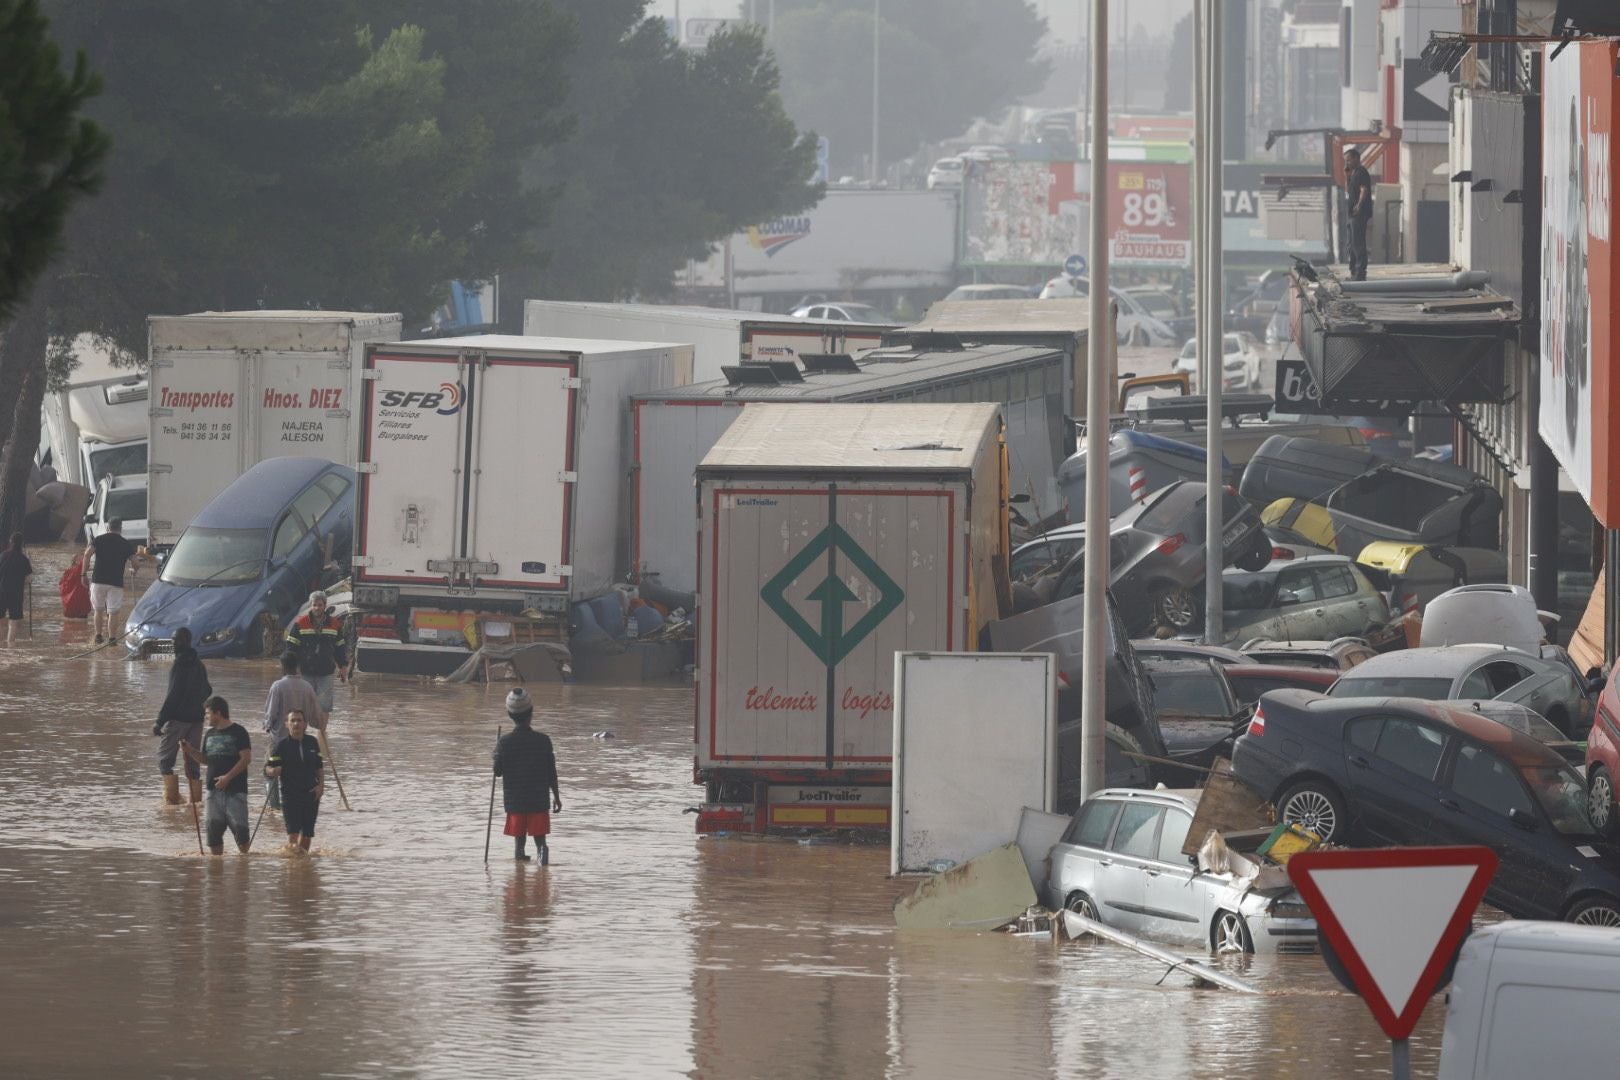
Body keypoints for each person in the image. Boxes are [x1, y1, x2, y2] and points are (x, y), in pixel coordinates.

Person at [493, 688, 561, 863]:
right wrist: (557, 797)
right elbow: (551, 772)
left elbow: (497, 772)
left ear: (510, 714)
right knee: (540, 841)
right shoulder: (543, 741)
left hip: (515, 802)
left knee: (519, 846)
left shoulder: (504, 742)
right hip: (538, 801)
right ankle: (542, 862)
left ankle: (520, 878)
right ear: (531, 713)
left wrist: (495, 755)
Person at [179, 696, 252, 855]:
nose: (205, 717)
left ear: (218, 713)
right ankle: (216, 873)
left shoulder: (239, 732)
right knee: (213, 836)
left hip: (236, 790)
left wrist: (228, 777)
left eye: (207, 713)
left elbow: (246, 759)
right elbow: (205, 759)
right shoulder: (210, 734)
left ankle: (243, 869)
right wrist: (190, 751)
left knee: (242, 835)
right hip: (212, 792)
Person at [154, 627, 213, 806]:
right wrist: (197, 703)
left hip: (178, 719)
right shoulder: (199, 664)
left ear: (183, 642)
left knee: (165, 762)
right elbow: (208, 690)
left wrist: (159, 721)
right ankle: (194, 804)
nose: (172, 644)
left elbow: (173, 695)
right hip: (196, 720)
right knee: (193, 763)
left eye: (175, 641)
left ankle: (171, 802)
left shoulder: (179, 664)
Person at [261, 652, 324, 810]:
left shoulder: (277, 686)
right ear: (297, 667)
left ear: (282, 667)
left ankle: (274, 808)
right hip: (300, 740)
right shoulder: (307, 687)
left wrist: (266, 727)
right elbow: (317, 717)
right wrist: (320, 727)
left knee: (270, 773)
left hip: (278, 740)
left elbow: (270, 714)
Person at [265, 709, 324, 854]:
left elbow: (319, 766)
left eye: (299, 720)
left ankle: (303, 866)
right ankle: (293, 866)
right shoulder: (281, 746)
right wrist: (274, 771)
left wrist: (321, 786)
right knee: (293, 832)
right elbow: (268, 768)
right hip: (290, 795)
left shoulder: (313, 742)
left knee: (308, 832)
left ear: (305, 724)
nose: (296, 723)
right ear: (287, 724)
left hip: (311, 793)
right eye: (292, 720)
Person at [285, 590, 350, 720]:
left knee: (324, 707)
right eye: (314, 604)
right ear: (311, 605)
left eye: (320, 605)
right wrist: (291, 669)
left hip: (326, 672)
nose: (317, 608)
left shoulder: (334, 624)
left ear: (325, 605)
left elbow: (340, 648)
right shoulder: (300, 623)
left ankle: (322, 735)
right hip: (305, 671)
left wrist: (343, 667)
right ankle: (304, 735)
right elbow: (291, 648)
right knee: (303, 707)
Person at [82, 518, 145, 644]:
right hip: (116, 583)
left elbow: (87, 554)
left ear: (108, 527)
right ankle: (112, 639)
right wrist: (133, 570)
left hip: (98, 580)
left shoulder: (99, 540)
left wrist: (83, 574)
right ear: (120, 529)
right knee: (113, 612)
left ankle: (98, 636)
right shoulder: (125, 543)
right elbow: (136, 563)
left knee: (98, 610)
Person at [1344, 147, 1374, 282]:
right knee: (1350, 244)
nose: (1347, 163)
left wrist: (1359, 205)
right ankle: (1353, 271)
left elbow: (1364, 190)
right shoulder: (1353, 173)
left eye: (1349, 160)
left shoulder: (1362, 172)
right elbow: (1348, 190)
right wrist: (1347, 176)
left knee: (1358, 244)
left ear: (1356, 158)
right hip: (1351, 214)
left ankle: (1360, 272)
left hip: (1358, 213)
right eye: (1346, 161)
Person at [0, 532, 32, 645]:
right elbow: (29, 580)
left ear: (11, 542)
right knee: (14, 621)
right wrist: (29, 560)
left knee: (0, 618)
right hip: (16, 594)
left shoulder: (3, 555)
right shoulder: (24, 560)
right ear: (22, 544)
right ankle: (10, 645)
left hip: (1, 592)